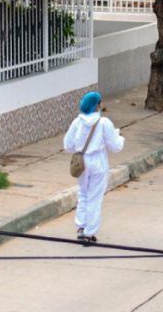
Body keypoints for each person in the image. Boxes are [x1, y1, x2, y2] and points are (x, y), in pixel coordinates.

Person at [64, 92, 125, 243]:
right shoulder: (104, 123)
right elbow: (115, 146)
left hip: (82, 162)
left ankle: (81, 227)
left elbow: (68, 145)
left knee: (83, 194)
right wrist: (120, 137)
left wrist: (80, 146)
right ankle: (89, 232)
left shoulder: (77, 122)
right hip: (98, 162)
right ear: (97, 105)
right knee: (95, 197)